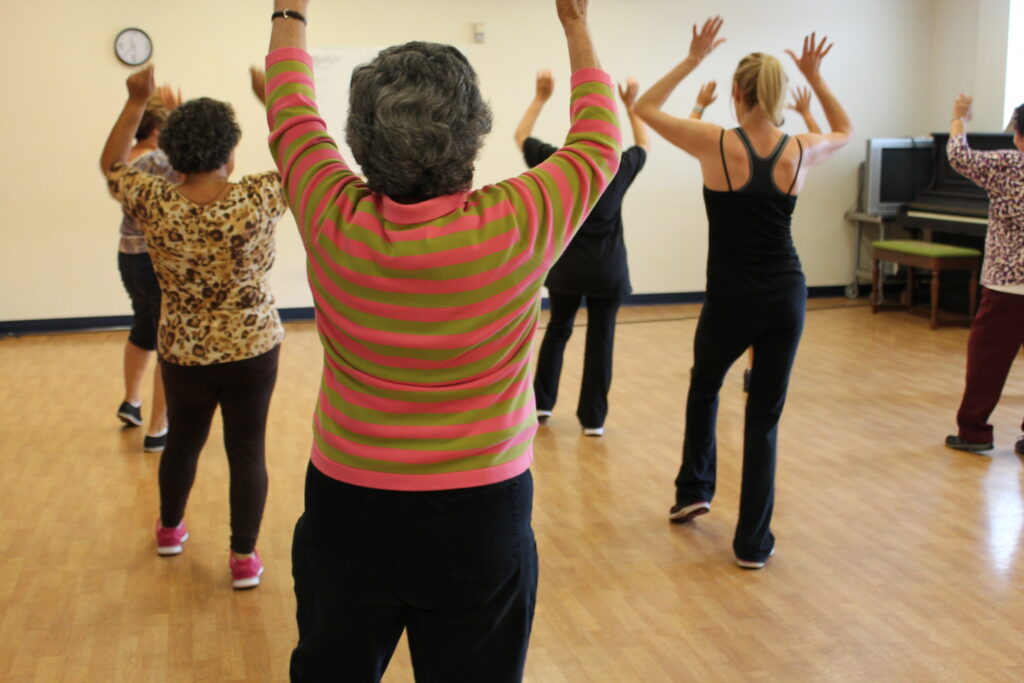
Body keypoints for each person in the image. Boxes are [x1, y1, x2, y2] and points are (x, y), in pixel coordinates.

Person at [263, 0, 619, 679]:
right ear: (475, 134)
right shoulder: (521, 221)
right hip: (480, 514)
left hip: (347, 506)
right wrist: (576, 24)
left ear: (360, 143)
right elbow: (599, 142)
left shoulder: (328, 210)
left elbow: (289, 109)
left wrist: (289, 10)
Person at [634, 19, 853, 569]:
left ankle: (693, 491)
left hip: (731, 300)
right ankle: (753, 544)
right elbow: (846, 130)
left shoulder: (716, 141)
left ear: (737, 93)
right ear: (778, 94)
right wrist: (817, 80)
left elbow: (646, 109)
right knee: (764, 419)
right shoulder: (800, 149)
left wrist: (690, 59)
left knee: (705, 386)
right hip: (787, 297)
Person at [101, 65, 288, 589]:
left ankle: (169, 529)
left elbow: (111, 163)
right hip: (253, 347)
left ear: (170, 155)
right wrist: (275, 100)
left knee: (182, 440)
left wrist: (137, 100)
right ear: (230, 154)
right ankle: (243, 558)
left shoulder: (154, 200)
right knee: (247, 450)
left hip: (183, 350)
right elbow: (306, 162)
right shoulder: (257, 197)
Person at [514, 70, 648, 436]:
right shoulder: (618, 168)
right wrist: (631, 107)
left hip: (568, 270)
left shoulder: (560, 163)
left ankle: (542, 404)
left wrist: (541, 98)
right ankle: (593, 420)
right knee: (601, 340)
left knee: (557, 330)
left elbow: (521, 136)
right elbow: (645, 145)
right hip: (609, 271)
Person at [944, 97, 1024, 456]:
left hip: (1008, 285)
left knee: (987, 359)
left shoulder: (1008, 164)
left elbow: (959, 156)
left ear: (1019, 135)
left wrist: (959, 118)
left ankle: (975, 431)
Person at [114, 88, 180, 452]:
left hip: (128, 257)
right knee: (168, 340)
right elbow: (213, 166)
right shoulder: (158, 161)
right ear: (157, 129)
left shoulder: (125, 160)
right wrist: (181, 114)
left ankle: (131, 402)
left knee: (142, 326)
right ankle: (158, 428)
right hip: (157, 261)